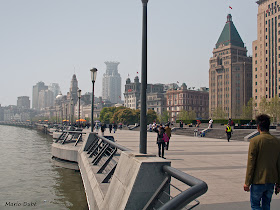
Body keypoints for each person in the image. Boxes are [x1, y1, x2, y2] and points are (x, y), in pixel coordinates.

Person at [244, 114, 280, 210]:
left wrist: (247, 182)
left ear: (258, 127)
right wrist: (279, 183)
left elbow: (251, 163)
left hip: (258, 180)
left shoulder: (255, 141)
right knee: (266, 205)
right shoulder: (277, 142)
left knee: (255, 206)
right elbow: (279, 164)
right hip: (271, 181)